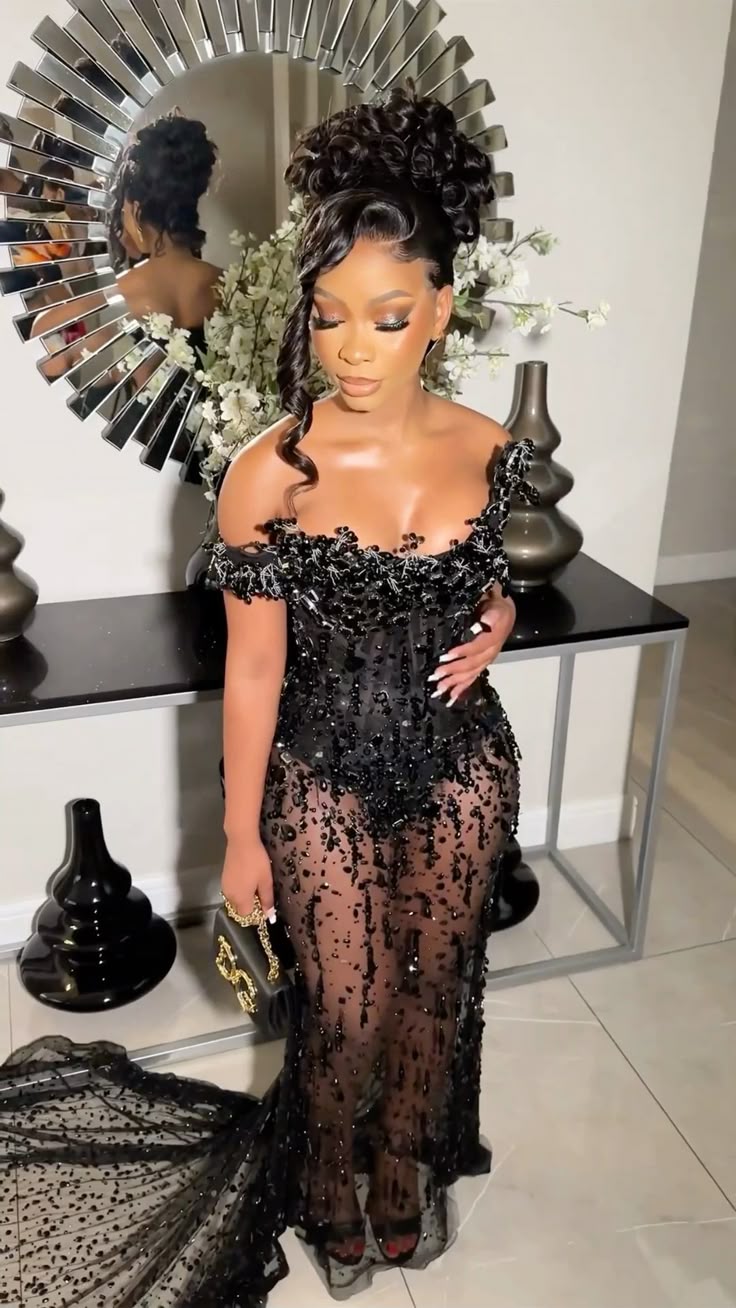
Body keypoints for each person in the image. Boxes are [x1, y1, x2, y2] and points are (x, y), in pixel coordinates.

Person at [0, 87, 534, 1307]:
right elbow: (252, 668)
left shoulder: (488, 445)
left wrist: (498, 617)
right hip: (318, 773)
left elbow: (486, 580)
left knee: (433, 991)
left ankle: (402, 1165)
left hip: (461, 764)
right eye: (329, 315)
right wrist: (240, 835)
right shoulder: (266, 473)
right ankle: (327, 1175)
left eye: (387, 318)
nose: (352, 348)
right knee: (342, 1012)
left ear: (439, 311)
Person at [28, 114, 221, 380]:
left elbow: (44, 348)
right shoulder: (240, 288)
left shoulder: (91, 309)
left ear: (136, 211)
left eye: (124, 210)